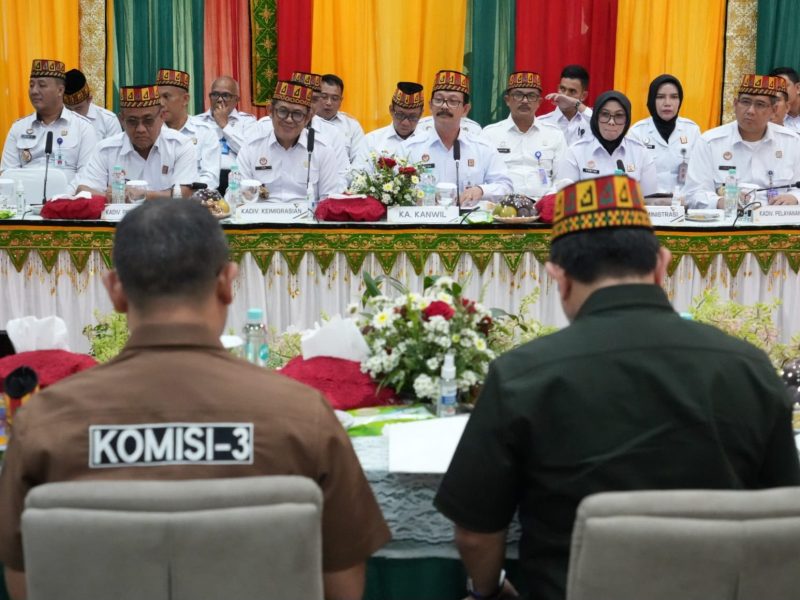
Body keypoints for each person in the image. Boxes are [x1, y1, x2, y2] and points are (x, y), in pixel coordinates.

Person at [0, 199, 391, 600]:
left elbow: (27, 584)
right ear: (227, 282)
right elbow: (341, 587)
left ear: (115, 291)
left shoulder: (43, 423)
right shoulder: (302, 416)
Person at [434, 174, 800, 600]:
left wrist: (488, 591)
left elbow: (476, 535)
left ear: (560, 278)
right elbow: (784, 513)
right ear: (662, 265)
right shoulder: (748, 366)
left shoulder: (523, 374)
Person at [683, 74, 800, 208]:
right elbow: (693, 193)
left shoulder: (792, 142)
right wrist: (721, 202)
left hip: (777, 223)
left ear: (773, 111)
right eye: (745, 102)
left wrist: (794, 197)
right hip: (727, 223)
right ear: (735, 104)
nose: (750, 111)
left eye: (760, 105)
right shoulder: (710, 142)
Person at [402, 70, 512, 206]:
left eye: (453, 101)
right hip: (425, 224)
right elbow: (397, 191)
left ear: (465, 109)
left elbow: (505, 186)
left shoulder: (483, 148)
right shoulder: (410, 148)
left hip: (469, 224)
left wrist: (481, 190)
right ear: (430, 106)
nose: (444, 106)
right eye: (438, 100)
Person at [75, 85, 197, 199]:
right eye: (132, 121)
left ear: (161, 117)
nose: (140, 129)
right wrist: (115, 196)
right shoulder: (105, 149)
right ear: (122, 120)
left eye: (148, 121)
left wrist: (143, 195)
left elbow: (185, 193)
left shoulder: (180, 145)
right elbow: (83, 190)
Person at [237, 81, 345, 201]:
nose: (289, 120)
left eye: (297, 114)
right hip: (260, 218)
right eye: (283, 111)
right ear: (270, 111)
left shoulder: (322, 150)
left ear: (308, 117)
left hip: (307, 218)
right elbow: (237, 194)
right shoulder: (251, 148)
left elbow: (329, 200)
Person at [1, 59, 97, 190]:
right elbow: (7, 176)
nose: (34, 91)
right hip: (24, 203)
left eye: (42, 85)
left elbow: (86, 176)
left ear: (60, 90)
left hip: (66, 203)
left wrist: (60, 198)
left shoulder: (83, 128)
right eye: (31, 85)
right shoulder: (18, 128)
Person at [482, 71, 567, 197]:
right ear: (507, 100)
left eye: (531, 96)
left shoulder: (554, 135)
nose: (525, 101)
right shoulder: (489, 134)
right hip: (501, 207)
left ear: (539, 102)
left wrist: (548, 200)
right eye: (518, 95)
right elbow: (481, 177)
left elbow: (562, 178)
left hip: (542, 205)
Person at [556, 90, 657, 196]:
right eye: (605, 114)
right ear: (596, 117)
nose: (611, 122)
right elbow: (565, 200)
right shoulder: (576, 152)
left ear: (627, 120)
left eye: (619, 116)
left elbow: (650, 202)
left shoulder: (641, 153)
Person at [628, 74, 702, 195]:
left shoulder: (692, 130)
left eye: (674, 97)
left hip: (684, 205)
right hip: (649, 206)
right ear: (652, 100)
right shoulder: (636, 132)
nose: (667, 103)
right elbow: (631, 176)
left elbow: (699, 175)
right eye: (660, 97)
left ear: (680, 100)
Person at [156, 68, 221, 189]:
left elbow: (210, 178)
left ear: (185, 99)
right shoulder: (153, 132)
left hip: (194, 201)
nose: (161, 103)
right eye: (158, 97)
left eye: (166, 96)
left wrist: (184, 191)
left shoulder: (205, 132)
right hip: (158, 199)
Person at [191, 76, 256, 192]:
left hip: (237, 180)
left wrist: (224, 126)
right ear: (209, 97)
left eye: (226, 95)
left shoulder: (247, 122)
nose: (220, 100)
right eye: (215, 94)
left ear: (237, 100)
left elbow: (251, 154)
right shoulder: (197, 122)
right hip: (204, 179)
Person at [354, 81, 425, 170]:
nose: (405, 122)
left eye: (412, 116)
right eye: (400, 115)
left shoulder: (428, 142)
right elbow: (358, 175)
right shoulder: (372, 141)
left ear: (421, 114)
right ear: (391, 110)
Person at [538, 65, 593, 146]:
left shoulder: (589, 121)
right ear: (558, 88)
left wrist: (575, 103)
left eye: (572, 91)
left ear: (583, 96)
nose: (565, 95)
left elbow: (600, 122)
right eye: (562, 89)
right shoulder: (541, 123)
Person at [316, 74, 366, 164]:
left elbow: (360, 160)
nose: (328, 102)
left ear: (341, 101)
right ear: (315, 97)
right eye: (324, 96)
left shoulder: (352, 126)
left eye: (334, 98)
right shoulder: (303, 122)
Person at [63, 68, 121, 139]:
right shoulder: (56, 120)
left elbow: (115, 149)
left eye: (78, 108)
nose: (73, 114)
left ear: (89, 99)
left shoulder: (108, 121)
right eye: (68, 109)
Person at [769, 67, 800, 131]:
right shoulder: (771, 116)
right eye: (774, 88)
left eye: (783, 86)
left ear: (798, 88)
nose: (779, 91)